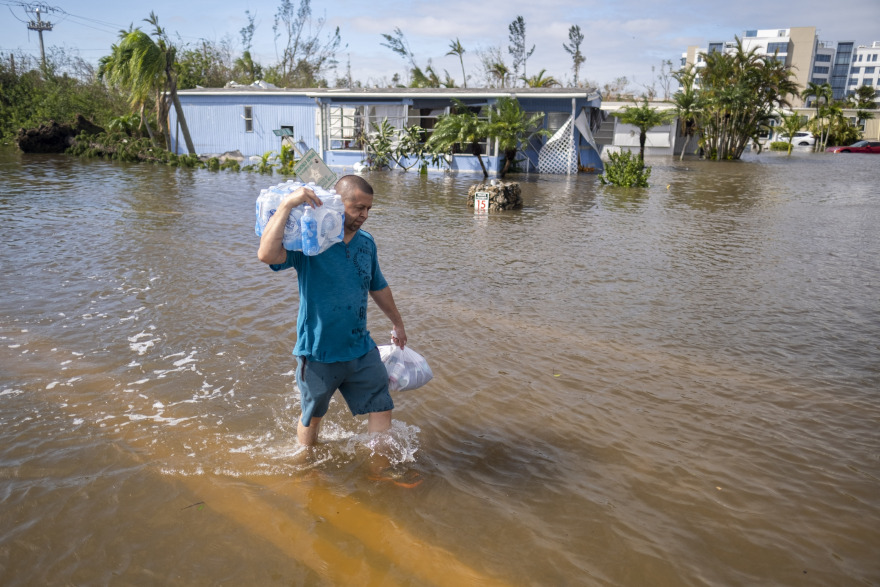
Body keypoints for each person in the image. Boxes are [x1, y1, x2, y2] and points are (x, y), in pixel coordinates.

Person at [257, 175, 407, 449]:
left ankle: (381, 471)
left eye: (369, 209)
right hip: (318, 352)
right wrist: (287, 205)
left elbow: (378, 286)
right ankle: (307, 467)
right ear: (337, 204)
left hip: (361, 348)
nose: (364, 215)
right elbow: (266, 255)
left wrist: (397, 323)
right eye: (358, 207)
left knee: (382, 405)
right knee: (313, 417)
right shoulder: (311, 242)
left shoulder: (366, 243)